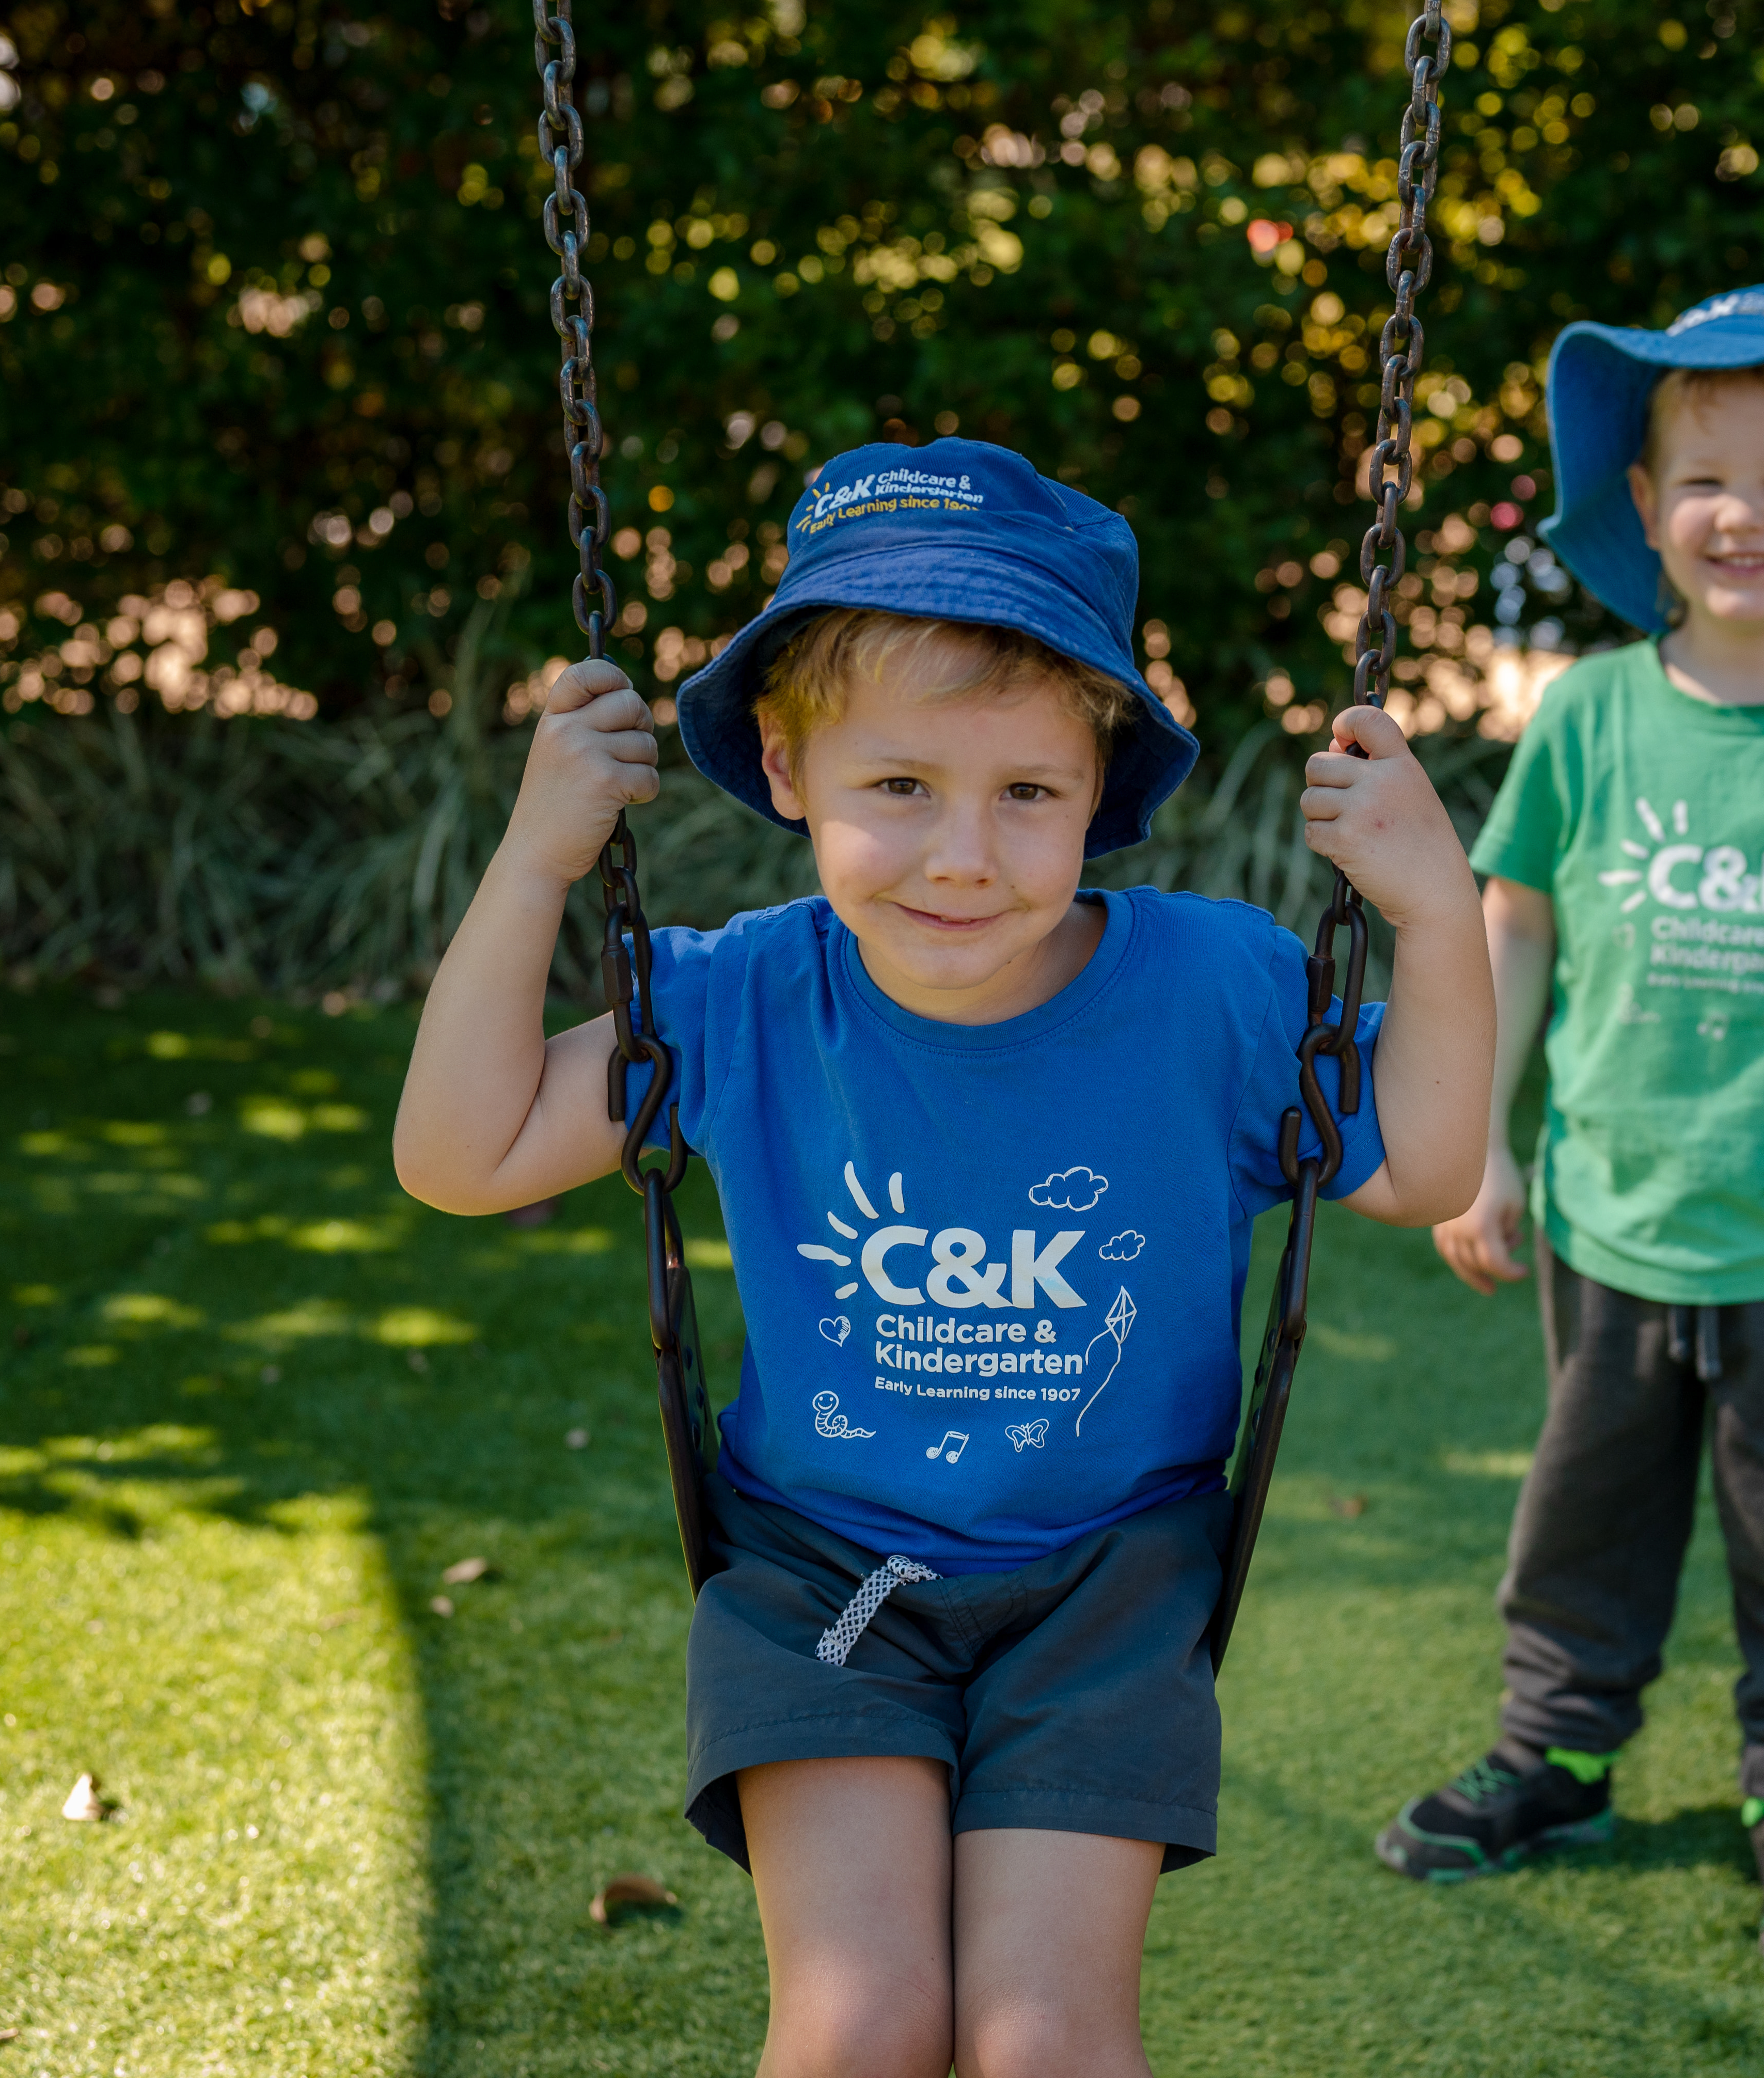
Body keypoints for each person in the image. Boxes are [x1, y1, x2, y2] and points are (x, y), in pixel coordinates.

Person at [395, 438, 1490, 2077]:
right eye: (899, 787)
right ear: (786, 767)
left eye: (1025, 793)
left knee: (1043, 2038)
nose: (964, 855)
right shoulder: (749, 998)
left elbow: (1425, 1162)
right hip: (825, 1572)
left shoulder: (1213, 988)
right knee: (861, 2022)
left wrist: (1437, 912)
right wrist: (540, 854)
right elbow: (458, 1155)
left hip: (1112, 1586)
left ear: (1096, 786)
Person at [1372, 288, 1764, 1978]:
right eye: (1704, 479)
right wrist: (1482, 1139)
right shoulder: (1588, 718)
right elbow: (1511, 925)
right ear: (1646, 511)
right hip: (1610, 1217)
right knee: (1583, 1518)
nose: (1745, 514)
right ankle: (1559, 1759)